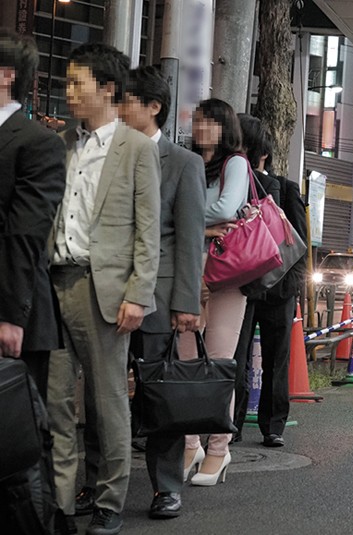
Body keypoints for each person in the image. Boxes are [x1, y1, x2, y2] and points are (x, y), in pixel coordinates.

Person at [46, 43, 161, 535]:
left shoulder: (135, 147)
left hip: (105, 290)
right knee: (55, 400)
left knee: (107, 399)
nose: (69, 92)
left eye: (78, 83)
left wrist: (139, 293)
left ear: (108, 89)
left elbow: (147, 229)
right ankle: (61, 500)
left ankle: (111, 500)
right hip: (54, 283)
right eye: (68, 83)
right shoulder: (64, 145)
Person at [118, 65, 205, 518]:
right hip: (108, 293)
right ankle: (97, 485)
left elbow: (190, 238)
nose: (117, 109)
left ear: (153, 107)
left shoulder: (184, 163)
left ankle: (166, 486)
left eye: (125, 100)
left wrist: (186, 303)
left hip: (160, 296)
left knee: (161, 394)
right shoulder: (108, 152)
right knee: (106, 392)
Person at [0, 29, 66, 534]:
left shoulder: (38, 142)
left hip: (14, 311)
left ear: (6, 77)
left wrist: (9, 314)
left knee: (19, 440)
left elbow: (26, 233)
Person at [178, 98, 249, 486]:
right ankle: (190, 443)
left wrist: (186, 220)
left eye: (211, 122)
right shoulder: (187, 163)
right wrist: (199, 229)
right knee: (186, 365)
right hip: (187, 272)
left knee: (220, 362)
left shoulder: (234, 164)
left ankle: (219, 449)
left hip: (225, 274)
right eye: (199, 121)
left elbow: (226, 209)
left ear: (226, 129)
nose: (202, 128)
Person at [232, 115, 307, 449]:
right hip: (240, 287)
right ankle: (229, 422)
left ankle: (273, 425)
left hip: (279, 290)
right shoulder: (230, 183)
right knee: (235, 355)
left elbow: (299, 243)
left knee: (278, 358)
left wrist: (294, 287)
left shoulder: (286, 188)